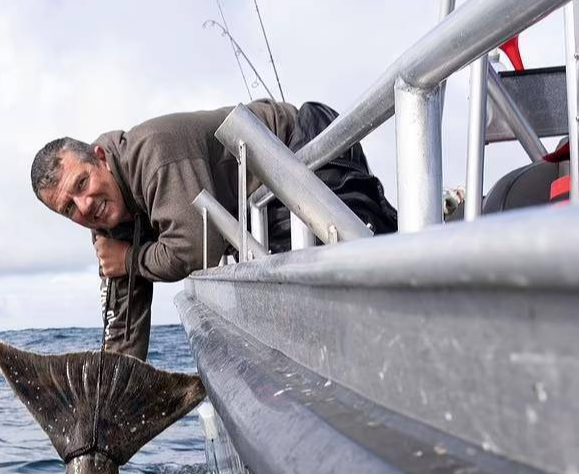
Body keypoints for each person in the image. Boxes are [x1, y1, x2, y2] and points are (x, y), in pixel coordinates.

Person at [31, 99, 397, 359]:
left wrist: (131, 260)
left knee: (350, 280)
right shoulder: (107, 223)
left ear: (99, 158)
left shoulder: (153, 153)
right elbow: (123, 329)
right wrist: (108, 408)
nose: (84, 206)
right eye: (68, 209)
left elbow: (196, 247)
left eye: (81, 184)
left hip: (299, 148)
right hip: (252, 209)